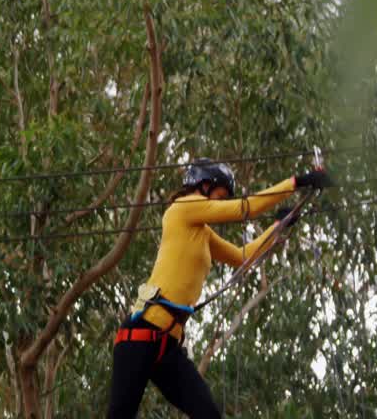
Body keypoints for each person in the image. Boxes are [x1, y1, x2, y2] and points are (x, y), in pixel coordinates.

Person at [106, 158, 332, 418]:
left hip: (167, 345)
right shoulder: (184, 207)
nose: (220, 204)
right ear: (203, 185)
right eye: (220, 196)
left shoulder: (201, 232)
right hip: (140, 336)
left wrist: (278, 227)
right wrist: (298, 181)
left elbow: (243, 256)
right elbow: (245, 209)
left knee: (209, 414)